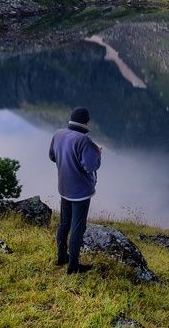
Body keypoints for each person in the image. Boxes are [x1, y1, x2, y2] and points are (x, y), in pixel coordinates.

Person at [48, 107, 102, 274]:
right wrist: (97, 153)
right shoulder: (84, 141)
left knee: (64, 223)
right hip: (80, 192)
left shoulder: (58, 134)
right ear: (86, 122)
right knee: (78, 227)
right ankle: (73, 266)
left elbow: (52, 156)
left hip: (63, 187)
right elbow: (91, 166)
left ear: (71, 119)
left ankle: (61, 256)